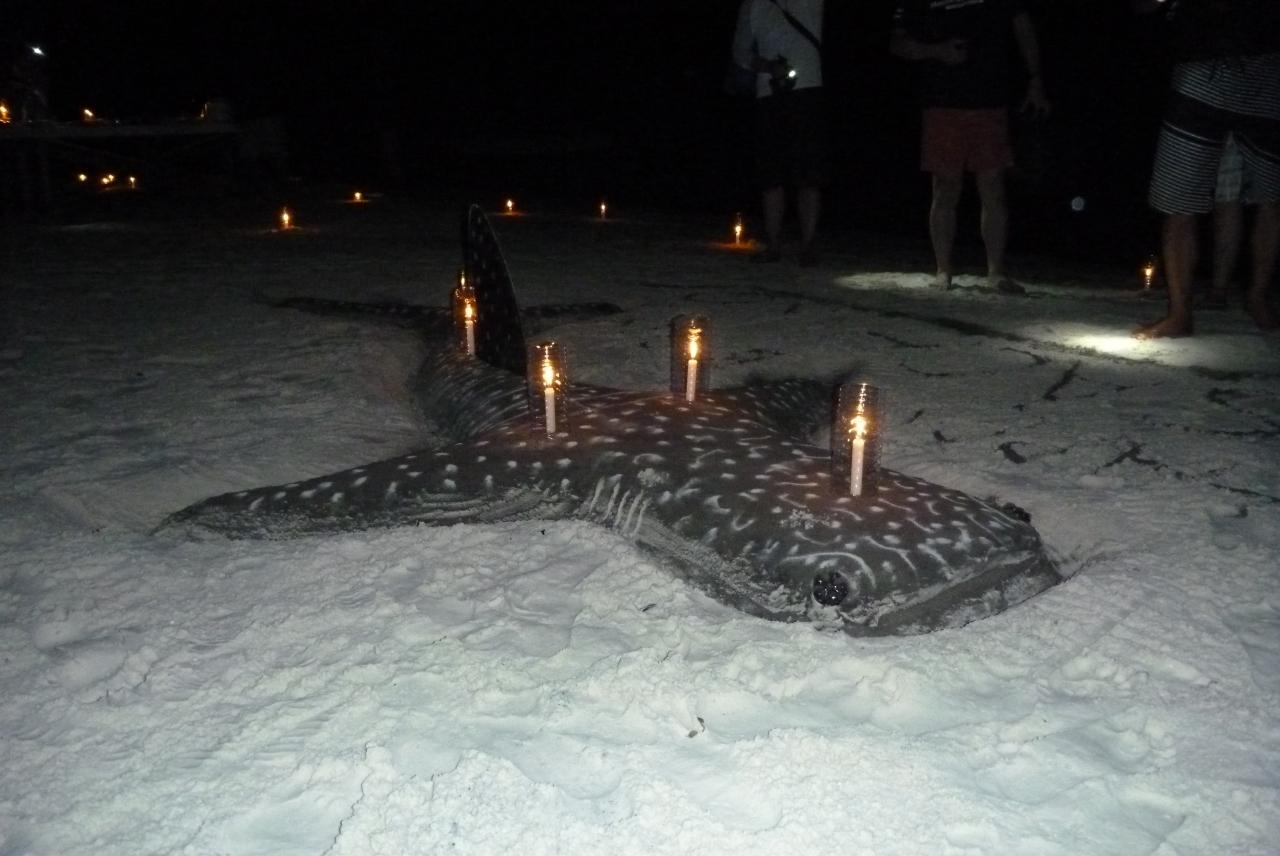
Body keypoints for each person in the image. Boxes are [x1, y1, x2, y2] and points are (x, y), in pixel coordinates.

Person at [1133, 0, 1280, 338]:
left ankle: (1258, 297)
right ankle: (1180, 314)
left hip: (1266, 71)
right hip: (1198, 69)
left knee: (1272, 195)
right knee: (1177, 199)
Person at [889, 0, 1050, 293]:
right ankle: (943, 270)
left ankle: (996, 272)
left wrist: (1035, 80)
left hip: (990, 101)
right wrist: (937, 50)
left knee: (993, 187)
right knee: (945, 186)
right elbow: (898, 43)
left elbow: (1023, 27)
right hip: (942, 101)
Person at [731, 0, 827, 266]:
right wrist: (767, 66)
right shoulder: (752, 4)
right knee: (770, 174)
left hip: (807, 91)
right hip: (768, 94)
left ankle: (809, 245)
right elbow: (740, 52)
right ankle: (773, 245)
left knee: (809, 173)